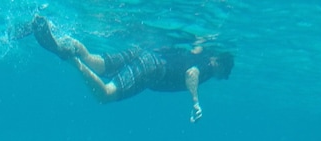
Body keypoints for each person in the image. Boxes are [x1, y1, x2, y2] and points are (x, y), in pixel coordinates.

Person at [13, 15, 234, 123]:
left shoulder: (201, 53)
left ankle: (63, 39)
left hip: (146, 52)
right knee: (105, 94)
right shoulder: (207, 65)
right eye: (226, 72)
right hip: (153, 68)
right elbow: (190, 73)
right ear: (220, 63)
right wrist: (195, 102)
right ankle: (70, 58)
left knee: (95, 61)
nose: (224, 78)